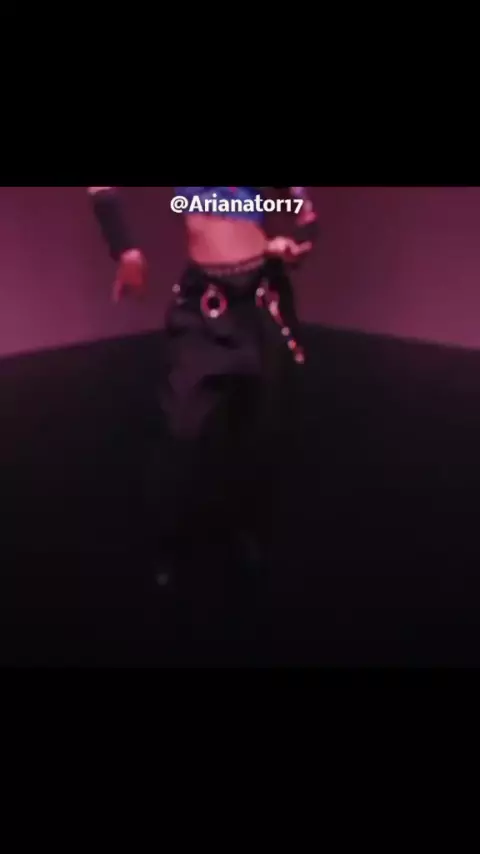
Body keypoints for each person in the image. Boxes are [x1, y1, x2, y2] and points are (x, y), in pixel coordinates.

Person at [88, 186, 319, 656]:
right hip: (205, 306)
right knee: (182, 429)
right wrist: (125, 249)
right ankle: (167, 542)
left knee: (259, 428)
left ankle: (247, 528)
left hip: (261, 300)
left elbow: (295, 207)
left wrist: (297, 238)